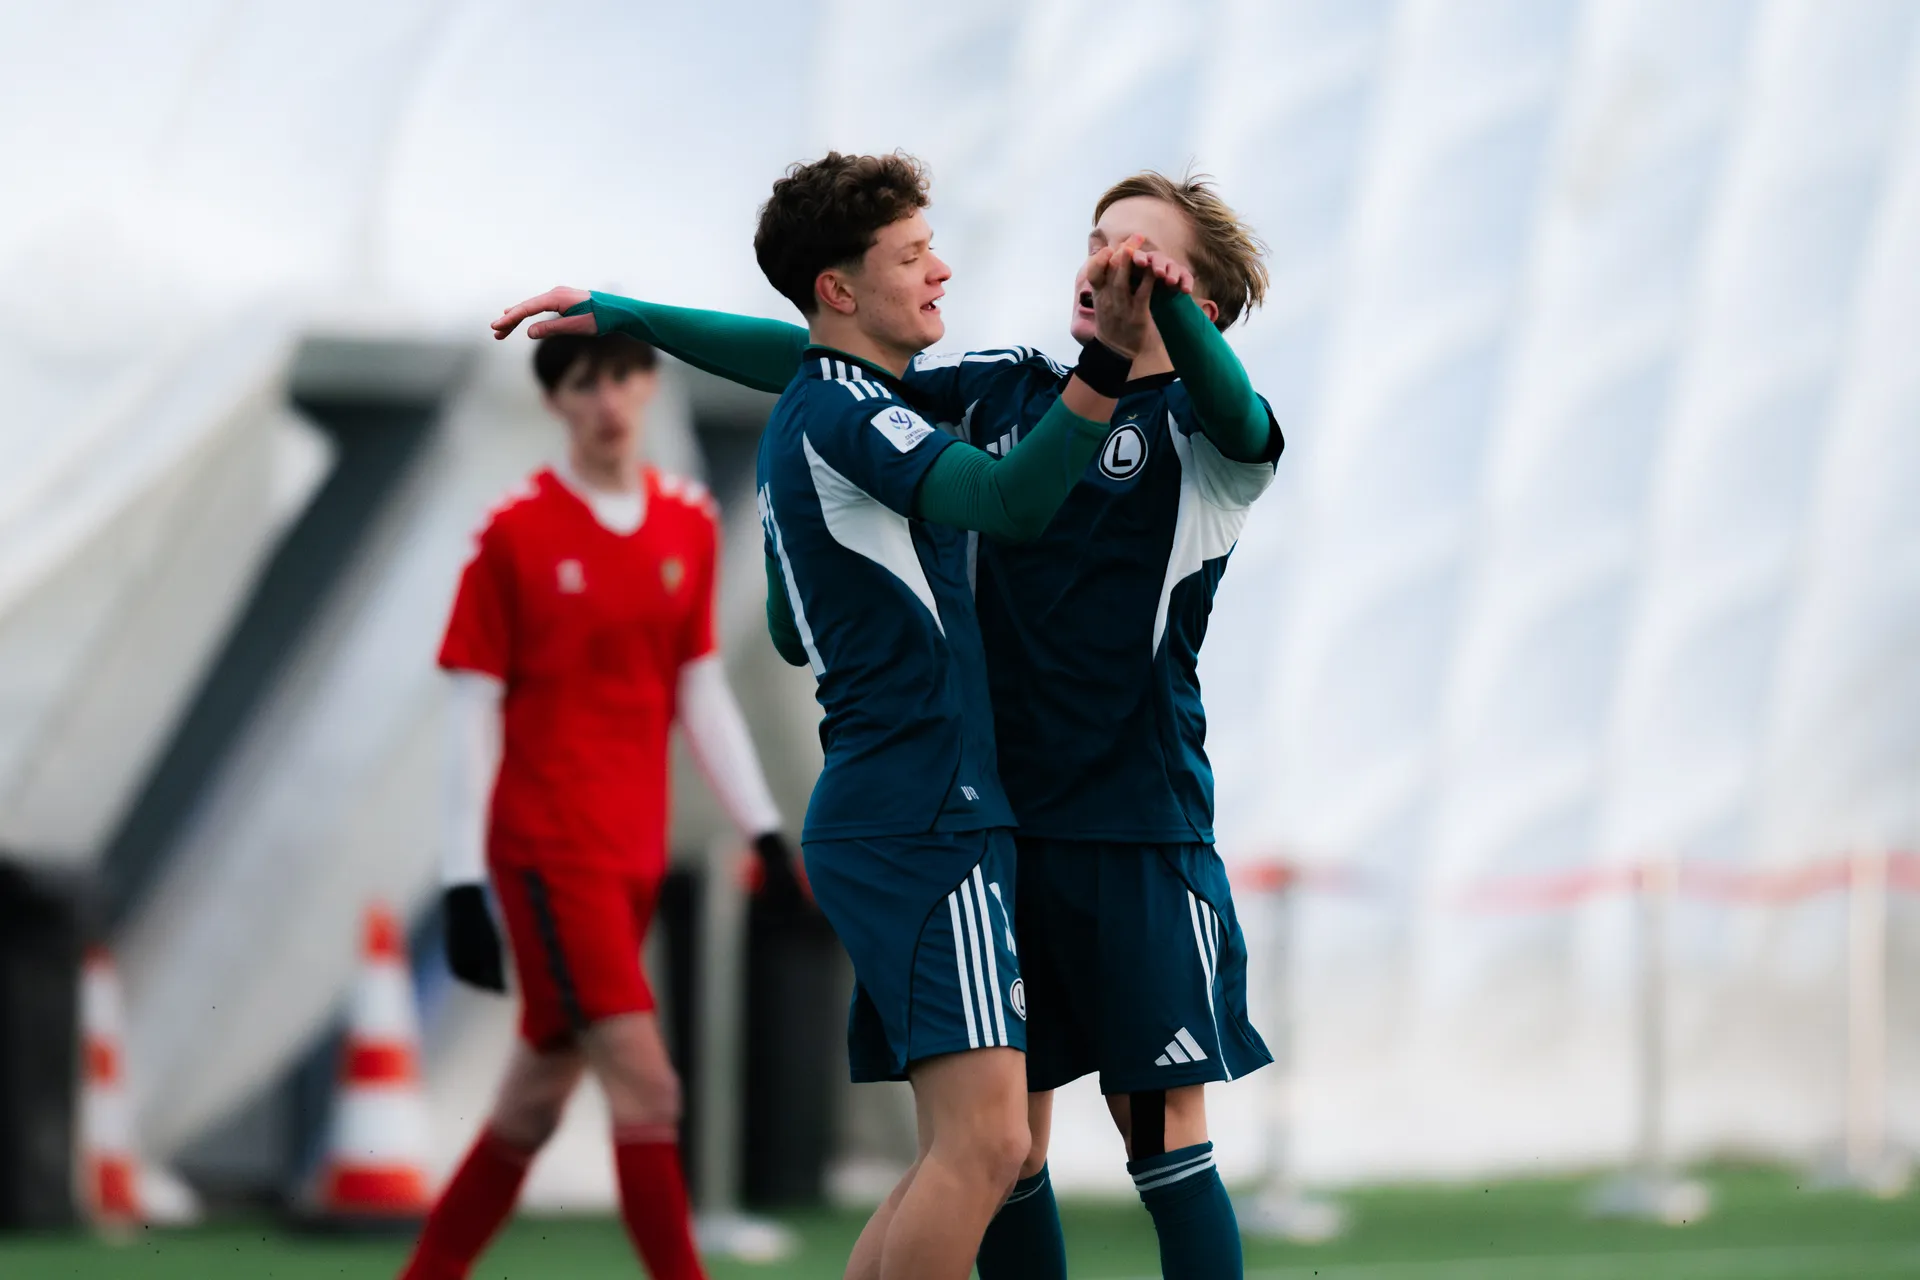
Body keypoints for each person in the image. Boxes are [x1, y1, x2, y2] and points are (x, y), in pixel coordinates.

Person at [496, 168, 1281, 1280]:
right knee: (1005, 1149)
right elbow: (830, 362)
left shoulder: (1212, 446)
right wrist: (635, 315)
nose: (1104, 263)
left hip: (1137, 829)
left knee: (1161, 1138)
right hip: (992, 822)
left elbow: (1244, 410)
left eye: (1143, 256)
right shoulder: (1013, 389)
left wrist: (1160, 315)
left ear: (1193, 296)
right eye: (1100, 240)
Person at [397, 330, 803, 1280]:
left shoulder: (688, 523)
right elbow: (474, 712)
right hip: (546, 851)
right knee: (647, 1081)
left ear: (650, 389)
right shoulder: (513, 533)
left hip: (632, 855)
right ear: (557, 405)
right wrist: (463, 882)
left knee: (533, 1101)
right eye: (586, 384)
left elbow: (698, 685)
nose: (610, 399)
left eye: (625, 377)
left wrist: (766, 829)